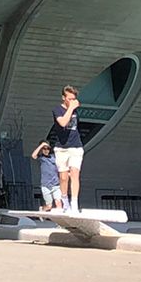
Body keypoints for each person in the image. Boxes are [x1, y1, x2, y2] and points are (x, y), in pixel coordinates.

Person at [47, 85, 85, 213]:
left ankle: (74, 203)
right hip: (61, 148)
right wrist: (71, 108)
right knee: (63, 177)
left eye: (74, 99)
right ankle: (65, 201)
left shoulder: (75, 111)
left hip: (76, 147)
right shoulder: (57, 110)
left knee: (74, 173)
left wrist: (73, 108)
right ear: (63, 98)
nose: (72, 101)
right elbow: (63, 122)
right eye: (69, 99)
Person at [33, 143, 63, 213]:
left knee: (59, 203)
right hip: (46, 186)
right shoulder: (41, 158)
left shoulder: (54, 157)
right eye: (44, 149)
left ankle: (59, 219)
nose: (46, 150)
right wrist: (41, 145)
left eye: (48, 149)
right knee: (49, 206)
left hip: (55, 185)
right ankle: (42, 209)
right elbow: (33, 155)